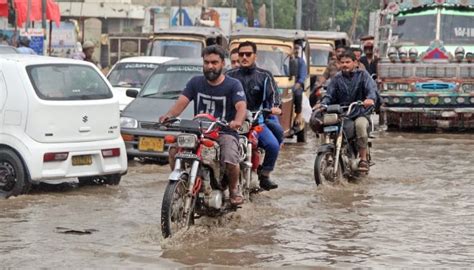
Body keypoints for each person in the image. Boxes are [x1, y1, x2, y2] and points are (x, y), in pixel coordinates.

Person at [159, 45, 247, 205]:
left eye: (214, 62)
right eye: (206, 62)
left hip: (224, 131)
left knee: (229, 156)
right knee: (174, 149)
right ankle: (180, 184)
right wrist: (168, 116)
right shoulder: (195, 82)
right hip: (198, 131)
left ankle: (234, 189)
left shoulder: (233, 85)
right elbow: (181, 103)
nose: (210, 66)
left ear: (223, 63)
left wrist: (237, 121)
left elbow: (241, 106)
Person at [226, 41, 282, 191]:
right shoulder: (229, 75)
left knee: (273, 145)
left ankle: (264, 175)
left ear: (255, 56)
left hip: (256, 122)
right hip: (232, 123)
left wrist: (275, 107)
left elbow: (275, 94)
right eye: (241, 54)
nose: (244, 57)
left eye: (248, 54)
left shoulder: (265, 76)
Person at [315, 50, 377, 172]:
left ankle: (363, 159)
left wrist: (369, 99)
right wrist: (322, 104)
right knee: (327, 125)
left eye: (348, 62)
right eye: (342, 62)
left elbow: (371, 90)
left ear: (355, 62)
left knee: (360, 126)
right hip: (343, 113)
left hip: (360, 112)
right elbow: (329, 95)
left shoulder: (363, 75)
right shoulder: (337, 78)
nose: (345, 65)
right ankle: (330, 154)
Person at [292, 41, 308, 127]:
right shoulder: (282, 60)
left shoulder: (300, 62)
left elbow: (302, 77)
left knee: (297, 94)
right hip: (284, 84)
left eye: (297, 48)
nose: (296, 50)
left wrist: (295, 87)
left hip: (295, 85)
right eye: (294, 48)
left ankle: (298, 114)